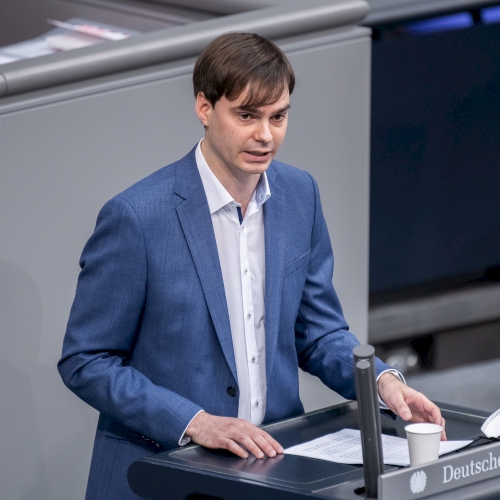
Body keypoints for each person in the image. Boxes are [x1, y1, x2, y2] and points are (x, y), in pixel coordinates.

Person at [58, 32, 445, 500]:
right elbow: (87, 360)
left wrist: (382, 382)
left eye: (277, 117)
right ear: (204, 108)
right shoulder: (138, 217)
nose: (265, 135)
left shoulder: (301, 195)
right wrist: (194, 423)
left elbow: (319, 332)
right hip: (163, 474)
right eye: (246, 116)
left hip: (273, 469)